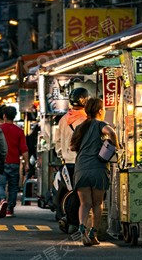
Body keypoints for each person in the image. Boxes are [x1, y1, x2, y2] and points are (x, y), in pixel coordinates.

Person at [70, 97, 117, 246]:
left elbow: (73, 147)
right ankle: (93, 234)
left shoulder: (80, 127)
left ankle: (82, 229)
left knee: (84, 204)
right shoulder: (99, 124)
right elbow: (110, 132)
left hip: (81, 169)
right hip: (97, 169)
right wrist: (116, 145)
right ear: (100, 110)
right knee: (97, 204)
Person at [55, 87, 88, 225]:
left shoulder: (63, 119)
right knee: (81, 195)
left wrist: (62, 154)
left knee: (73, 192)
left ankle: (69, 220)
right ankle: (74, 222)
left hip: (67, 163)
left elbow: (57, 142)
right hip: (83, 163)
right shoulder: (87, 120)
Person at [0, 106, 28, 217]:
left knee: (0, 184)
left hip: (1, 162)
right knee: (13, 187)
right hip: (15, 162)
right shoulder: (19, 131)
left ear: (4, 116)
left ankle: (2, 200)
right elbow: (24, 149)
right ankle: (10, 209)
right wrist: (27, 164)